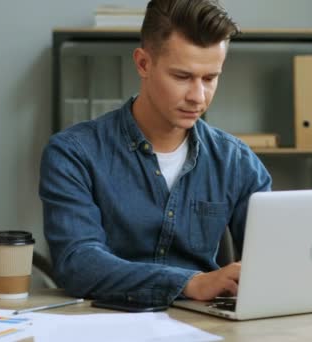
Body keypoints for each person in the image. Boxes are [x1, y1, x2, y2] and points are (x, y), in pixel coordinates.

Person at [39, 0, 272, 307]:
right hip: (105, 325)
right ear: (143, 64)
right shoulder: (73, 154)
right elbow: (79, 263)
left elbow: (271, 263)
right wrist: (190, 282)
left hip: (206, 327)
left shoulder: (237, 162)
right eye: (182, 77)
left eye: (210, 78)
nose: (197, 97)